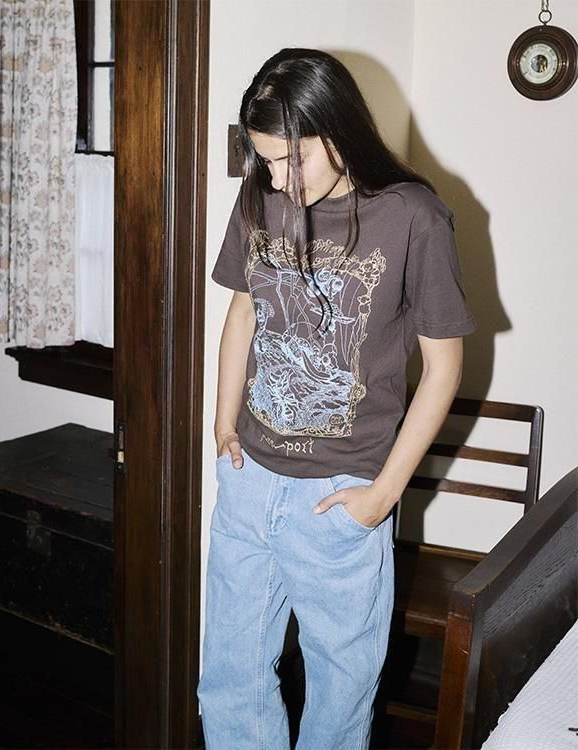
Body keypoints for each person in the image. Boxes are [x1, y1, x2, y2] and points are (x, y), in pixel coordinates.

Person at [197, 47, 476, 750]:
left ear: (340, 131)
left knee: (339, 701)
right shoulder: (261, 197)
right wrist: (223, 423)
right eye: (266, 161)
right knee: (228, 683)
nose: (278, 180)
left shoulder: (414, 217)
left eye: (292, 160)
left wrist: (383, 494)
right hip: (250, 481)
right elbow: (243, 309)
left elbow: (443, 368)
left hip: (341, 493)